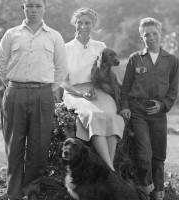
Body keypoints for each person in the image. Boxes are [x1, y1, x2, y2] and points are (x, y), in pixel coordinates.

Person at [0, 0, 68, 199]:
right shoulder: (11, 34)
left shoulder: (54, 36)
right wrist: (15, 85)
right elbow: (0, 66)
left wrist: (45, 89)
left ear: (45, 8)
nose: (33, 10)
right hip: (15, 93)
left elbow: (61, 69)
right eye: (29, 6)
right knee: (14, 146)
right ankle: (14, 193)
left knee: (39, 146)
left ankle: (31, 191)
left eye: (38, 6)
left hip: (43, 95)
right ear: (23, 7)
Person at [120, 17, 179, 200]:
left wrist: (162, 106)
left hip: (159, 111)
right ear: (141, 37)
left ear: (161, 34)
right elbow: (125, 88)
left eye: (155, 34)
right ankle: (146, 187)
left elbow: (173, 91)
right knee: (144, 152)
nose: (151, 37)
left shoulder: (172, 61)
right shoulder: (135, 59)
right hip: (138, 110)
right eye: (147, 35)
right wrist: (124, 106)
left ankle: (158, 192)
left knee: (159, 154)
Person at [61, 7, 125, 171]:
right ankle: (110, 169)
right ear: (74, 23)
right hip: (74, 91)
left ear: (93, 24)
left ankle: (108, 170)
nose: (83, 26)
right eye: (79, 22)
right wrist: (80, 93)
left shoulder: (100, 46)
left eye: (87, 22)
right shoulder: (65, 48)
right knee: (94, 114)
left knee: (111, 115)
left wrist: (122, 88)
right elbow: (62, 81)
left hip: (98, 90)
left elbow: (108, 73)